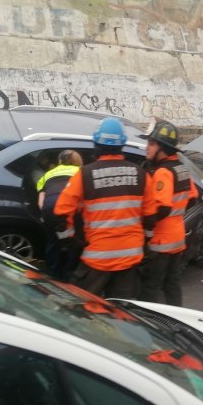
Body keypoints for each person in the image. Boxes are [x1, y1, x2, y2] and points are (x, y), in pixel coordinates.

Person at [53, 118, 151, 299]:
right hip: (130, 259)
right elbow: (151, 216)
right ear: (121, 145)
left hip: (97, 258)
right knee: (123, 313)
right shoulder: (141, 175)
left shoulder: (84, 175)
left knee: (83, 309)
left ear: (97, 145)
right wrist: (144, 243)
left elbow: (60, 214)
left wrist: (71, 242)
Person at [138, 120, 198, 306]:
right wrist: (176, 215)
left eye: (152, 143)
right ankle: (176, 319)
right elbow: (193, 197)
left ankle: (151, 326)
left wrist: (146, 227)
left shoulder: (162, 173)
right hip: (177, 239)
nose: (147, 147)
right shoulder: (181, 168)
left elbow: (162, 207)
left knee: (151, 287)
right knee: (172, 285)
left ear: (162, 148)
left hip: (160, 242)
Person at [37, 150, 83, 280]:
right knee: (73, 242)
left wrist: (47, 216)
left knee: (53, 242)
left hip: (49, 208)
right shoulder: (81, 171)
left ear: (60, 161)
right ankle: (68, 278)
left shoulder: (48, 174)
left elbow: (41, 202)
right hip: (69, 209)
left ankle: (52, 276)